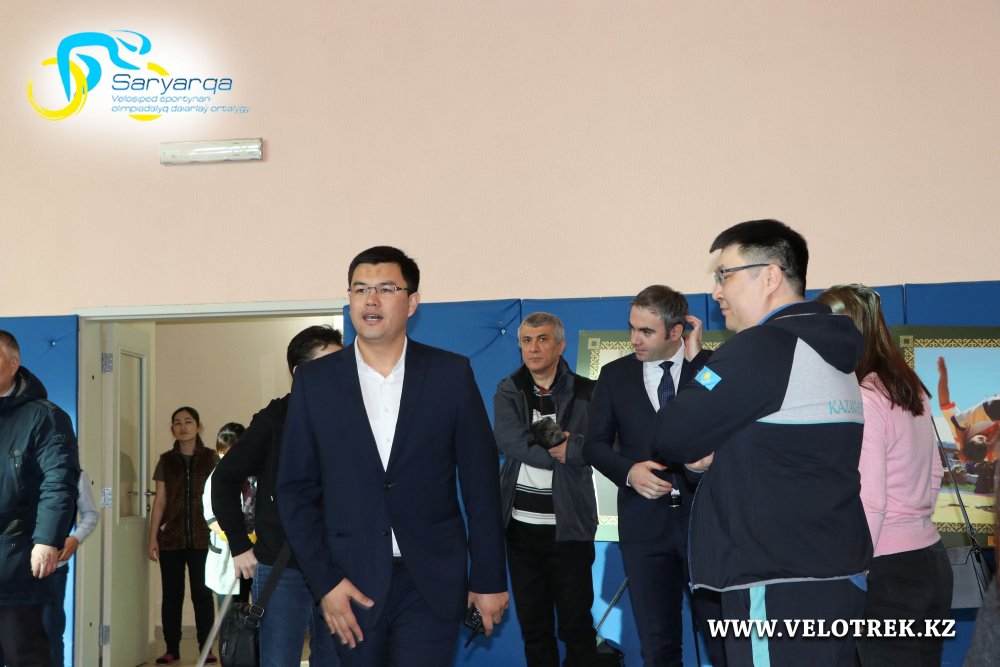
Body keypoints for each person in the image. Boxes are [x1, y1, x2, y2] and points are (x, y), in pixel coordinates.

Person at [653, 219, 872, 666]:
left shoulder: (764, 348)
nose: (717, 292)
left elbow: (671, 433)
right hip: (835, 572)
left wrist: (701, 445)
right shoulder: (831, 350)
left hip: (774, 580)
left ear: (770, 276)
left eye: (725, 275)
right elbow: (777, 448)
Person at [278, 246, 509, 667]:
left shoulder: (450, 374)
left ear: (412, 302)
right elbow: (294, 490)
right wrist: (326, 582)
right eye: (360, 289)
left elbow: (481, 485)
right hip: (350, 581)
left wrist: (489, 578)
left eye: (386, 289)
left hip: (431, 580)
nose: (371, 300)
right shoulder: (315, 382)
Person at [582, 286, 725, 667]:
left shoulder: (709, 368)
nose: (634, 339)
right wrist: (629, 472)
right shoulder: (614, 376)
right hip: (644, 530)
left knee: (724, 643)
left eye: (646, 331)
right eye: (632, 328)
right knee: (658, 648)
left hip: (706, 527)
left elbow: (727, 408)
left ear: (676, 332)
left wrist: (698, 359)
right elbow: (593, 445)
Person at [817, 284, 952, 666]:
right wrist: (914, 520)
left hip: (886, 568)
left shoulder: (864, 396)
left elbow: (870, 499)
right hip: (930, 558)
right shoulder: (909, 387)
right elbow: (934, 473)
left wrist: (854, 570)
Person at [212, 325, 344, 667]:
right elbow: (223, 479)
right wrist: (239, 544)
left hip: (337, 565)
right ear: (300, 373)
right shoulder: (274, 421)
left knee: (336, 660)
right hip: (283, 568)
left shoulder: (351, 417)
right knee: (279, 660)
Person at [494, 311, 599, 666]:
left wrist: (575, 448)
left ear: (560, 345)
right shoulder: (509, 389)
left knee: (577, 627)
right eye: (526, 340)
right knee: (534, 629)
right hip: (520, 532)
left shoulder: (587, 391)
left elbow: (600, 445)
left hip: (569, 529)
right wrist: (561, 451)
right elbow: (510, 440)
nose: (533, 348)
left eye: (542, 339)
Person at [0, 329, 80, 667]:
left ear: (13, 363)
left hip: (18, 560)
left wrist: (47, 540)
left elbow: (59, 480)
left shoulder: (45, 416)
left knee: (23, 652)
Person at [147, 406, 220, 665]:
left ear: (198, 426)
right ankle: (171, 649)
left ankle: (206, 648)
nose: (183, 427)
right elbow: (160, 501)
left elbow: (219, 497)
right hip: (171, 538)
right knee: (172, 596)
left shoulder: (211, 458)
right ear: (172, 429)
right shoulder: (166, 461)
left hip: (203, 538)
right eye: (177, 422)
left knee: (202, 595)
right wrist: (152, 537)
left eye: (188, 421)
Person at [43, 470, 100, 667]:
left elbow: (91, 514)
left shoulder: (75, 474)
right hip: (12, 566)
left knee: (50, 630)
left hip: (53, 566)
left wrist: (76, 538)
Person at [203, 422, 251, 607]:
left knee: (255, 609)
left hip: (255, 553)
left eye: (232, 451)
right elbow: (211, 517)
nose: (227, 456)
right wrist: (235, 536)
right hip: (228, 553)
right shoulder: (216, 477)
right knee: (230, 613)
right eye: (222, 451)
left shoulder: (254, 476)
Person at [937, 356, 999, 466]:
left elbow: (944, 404)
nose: (986, 439)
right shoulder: (992, 454)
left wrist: (943, 376)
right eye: (987, 444)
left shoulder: (959, 431)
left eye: (981, 438)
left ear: (968, 441)